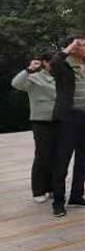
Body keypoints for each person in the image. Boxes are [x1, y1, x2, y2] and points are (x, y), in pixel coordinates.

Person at [50, 36, 85, 217]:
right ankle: (58, 201)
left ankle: (77, 195)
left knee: (83, 159)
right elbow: (53, 64)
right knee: (62, 161)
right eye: (81, 45)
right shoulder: (64, 66)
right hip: (67, 119)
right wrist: (68, 48)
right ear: (72, 47)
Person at [11, 52, 57, 203]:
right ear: (45, 62)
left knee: (55, 156)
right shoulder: (34, 77)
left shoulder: (60, 76)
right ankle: (38, 190)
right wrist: (29, 69)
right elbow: (16, 83)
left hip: (59, 120)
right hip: (41, 121)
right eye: (53, 61)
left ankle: (52, 187)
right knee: (42, 156)